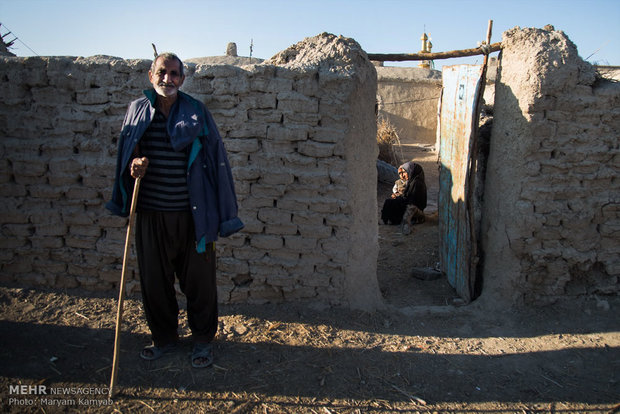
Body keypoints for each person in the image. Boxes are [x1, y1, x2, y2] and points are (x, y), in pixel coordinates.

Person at [106, 52, 243, 368]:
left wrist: (224, 212)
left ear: (182, 79)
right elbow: (129, 153)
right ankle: (164, 338)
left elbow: (216, 161)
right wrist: (134, 165)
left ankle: (202, 342)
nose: (168, 79)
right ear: (150, 75)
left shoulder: (196, 112)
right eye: (162, 73)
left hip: (193, 215)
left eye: (175, 74)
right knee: (155, 282)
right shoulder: (137, 111)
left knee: (200, 283)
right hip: (152, 213)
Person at [381, 161, 427, 233]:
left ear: (410, 171)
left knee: (390, 203)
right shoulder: (412, 181)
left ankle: (393, 220)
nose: (403, 175)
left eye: (404, 172)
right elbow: (407, 196)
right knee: (390, 202)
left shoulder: (417, 183)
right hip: (410, 204)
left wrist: (400, 198)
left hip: (414, 210)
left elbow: (412, 201)